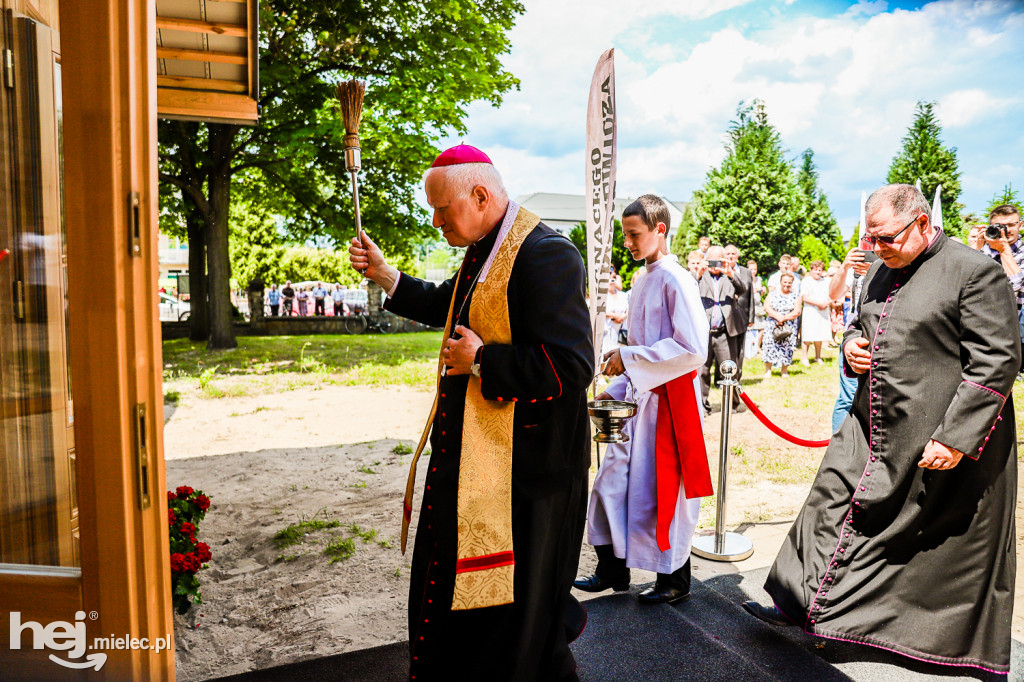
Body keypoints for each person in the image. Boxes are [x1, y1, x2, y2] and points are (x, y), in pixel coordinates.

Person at [744, 184, 1019, 674]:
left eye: (886, 237)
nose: (875, 248)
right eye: (871, 237)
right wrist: (852, 345)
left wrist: (956, 436)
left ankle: (910, 637)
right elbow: (860, 323)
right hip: (869, 423)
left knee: (915, 541)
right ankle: (793, 602)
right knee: (828, 500)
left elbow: (998, 359)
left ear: (920, 223)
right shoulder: (877, 266)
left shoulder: (974, 271)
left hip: (932, 432)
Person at [348, 143, 593, 680]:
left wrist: (482, 359)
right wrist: (388, 276)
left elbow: (571, 367)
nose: (435, 223)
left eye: (442, 210)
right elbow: (449, 304)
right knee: (483, 625)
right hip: (481, 473)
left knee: (520, 629)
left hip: (528, 481)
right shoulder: (486, 245)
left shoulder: (547, 254)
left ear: (481, 196)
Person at [574, 194, 711, 605]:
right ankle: (612, 568)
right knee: (609, 485)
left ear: (659, 229)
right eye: (626, 234)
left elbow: (692, 348)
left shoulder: (676, 279)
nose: (628, 243)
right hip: (640, 401)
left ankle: (674, 578)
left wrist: (629, 358)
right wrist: (616, 383)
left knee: (661, 494)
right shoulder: (641, 280)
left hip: (670, 406)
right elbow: (639, 343)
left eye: (635, 234)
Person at [698, 245, 748, 414]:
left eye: (717, 260)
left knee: (729, 369)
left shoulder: (729, 275)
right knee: (702, 371)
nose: (714, 264)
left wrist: (729, 273)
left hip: (725, 331)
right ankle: (702, 405)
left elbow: (743, 289)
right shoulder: (700, 276)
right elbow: (687, 290)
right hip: (704, 332)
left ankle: (732, 404)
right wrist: (698, 273)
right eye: (711, 260)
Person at [828, 246, 871, 432]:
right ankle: (838, 444)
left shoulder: (892, 267)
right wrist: (845, 267)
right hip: (852, 339)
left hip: (879, 339)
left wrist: (875, 270)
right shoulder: (853, 272)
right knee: (848, 397)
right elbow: (833, 294)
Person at [981, 204, 1024, 372]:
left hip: (1014, 331)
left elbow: (1014, 285)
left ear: (1020, 225)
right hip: (985, 326)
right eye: (1000, 226)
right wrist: (975, 246)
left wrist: (1004, 249)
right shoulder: (983, 251)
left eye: (1011, 225)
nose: (1006, 230)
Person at [723, 244, 754, 390]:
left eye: (733, 254)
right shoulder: (721, 271)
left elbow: (751, 295)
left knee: (740, 352)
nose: (730, 256)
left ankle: (737, 377)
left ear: (737, 256)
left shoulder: (746, 272)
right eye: (727, 254)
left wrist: (751, 317)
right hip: (726, 317)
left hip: (742, 316)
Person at [761, 273, 800, 378]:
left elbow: (797, 311)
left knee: (787, 346)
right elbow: (766, 307)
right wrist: (777, 316)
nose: (787, 284)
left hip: (789, 324)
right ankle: (768, 370)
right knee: (769, 345)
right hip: (772, 323)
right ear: (781, 282)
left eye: (789, 283)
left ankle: (784, 370)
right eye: (785, 282)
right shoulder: (772, 293)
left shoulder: (796, 295)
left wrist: (784, 317)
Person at [798, 261, 830, 365]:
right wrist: (819, 304)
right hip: (811, 311)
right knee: (808, 335)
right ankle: (805, 357)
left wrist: (825, 303)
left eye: (820, 270)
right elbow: (804, 297)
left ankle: (818, 356)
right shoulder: (806, 281)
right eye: (815, 269)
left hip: (823, 311)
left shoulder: (825, 281)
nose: (817, 272)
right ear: (811, 270)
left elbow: (831, 294)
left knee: (820, 334)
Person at [602, 271, 628, 354]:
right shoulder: (602, 295)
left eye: (613, 278)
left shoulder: (623, 295)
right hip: (605, 333)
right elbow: (599, 310)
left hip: (620, 333)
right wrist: (615, 316)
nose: (611, 279)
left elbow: (629, 308)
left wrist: (623, 317)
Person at [747, 259, 766, 355]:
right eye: (751, 269)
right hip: (750, 306)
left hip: (758, 306)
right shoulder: (746, 279)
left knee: (762, 327)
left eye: (755, 269)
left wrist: (762, 290)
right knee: (750, 328)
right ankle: (750, 348)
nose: (753, 271)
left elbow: (759, 293)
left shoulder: (759, 279)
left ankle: (758, 346)